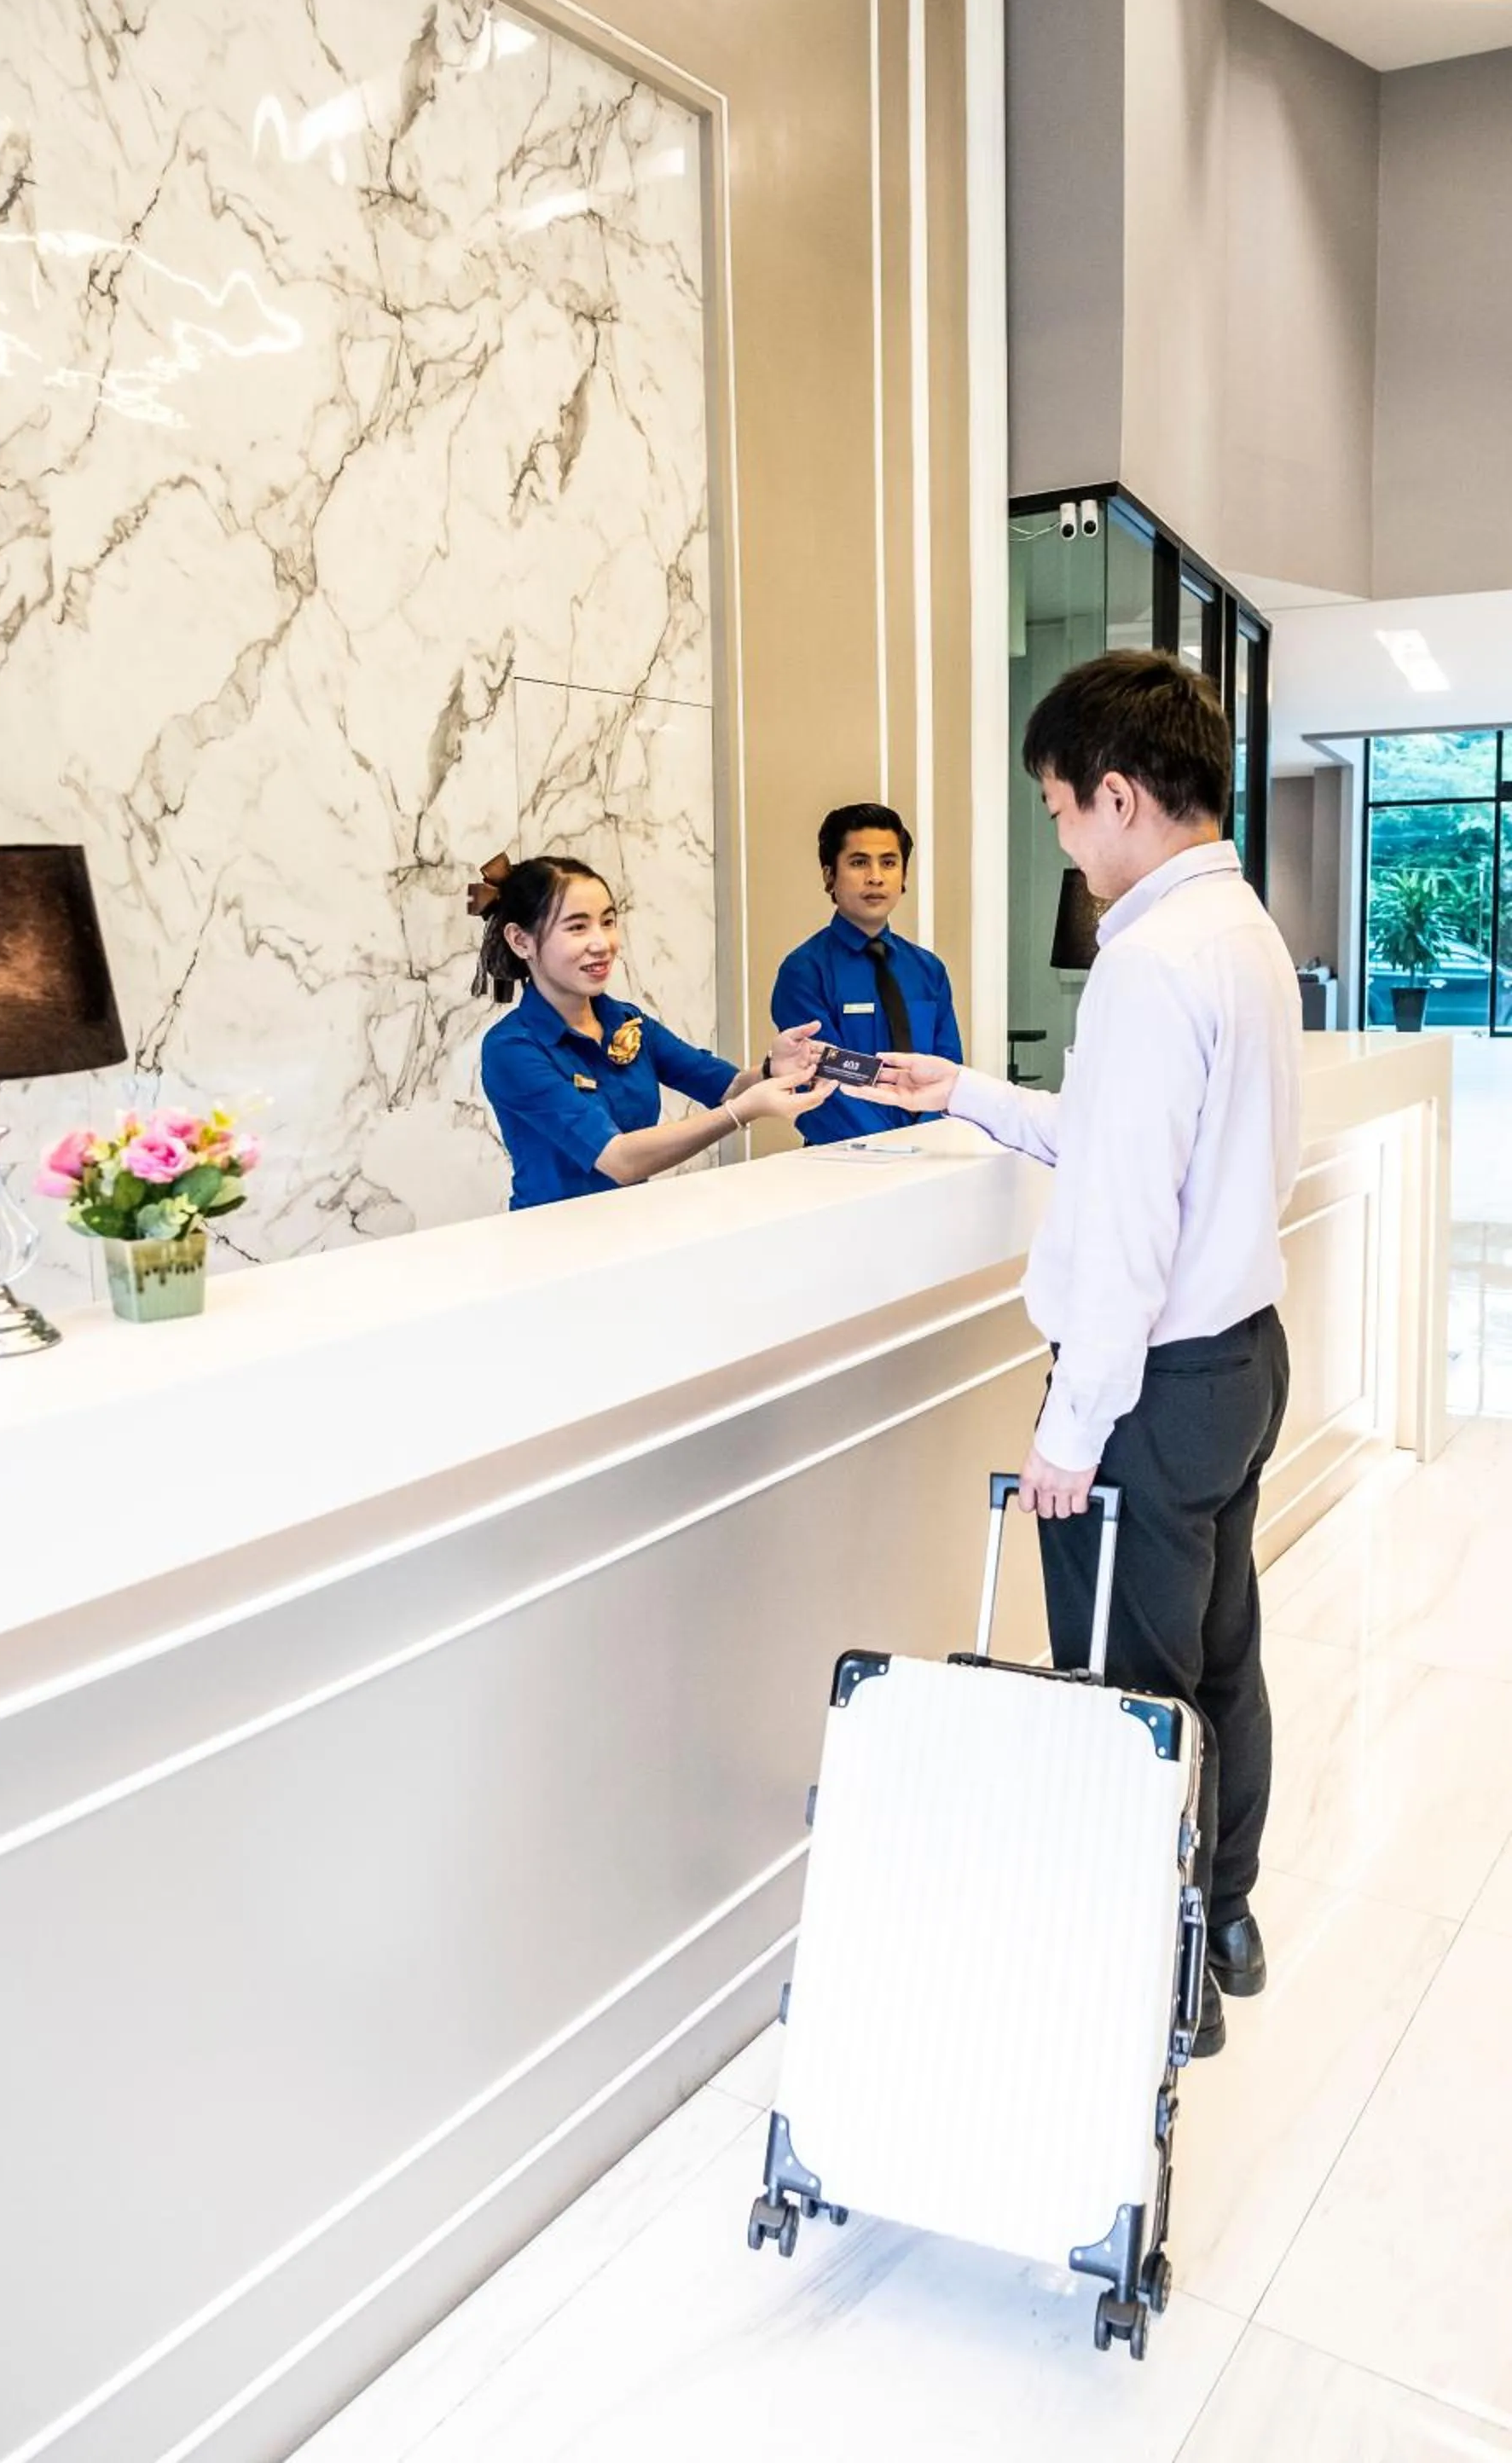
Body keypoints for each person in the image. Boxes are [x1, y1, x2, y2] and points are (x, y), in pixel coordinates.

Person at [852, 652, 1302, 2060]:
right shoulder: (1239, 930)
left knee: (1130, 1695)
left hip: (1151, 1387)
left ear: (1116, 794)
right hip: (1241, 1363)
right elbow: (1130, 1148)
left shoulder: (1150, 962)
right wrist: (972, 1094)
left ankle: (1158, 1979)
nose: (1062, 839)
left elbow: (1121, 1227)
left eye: (1057, 808)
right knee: (1218, 1659)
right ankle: (1224, 1920)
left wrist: (1071, 1428)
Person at [473, 854, 833, 1211]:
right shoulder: (512, 1048)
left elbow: (728, 1087)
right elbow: (619, 1160)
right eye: (577, 927)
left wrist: (772, 1069)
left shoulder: (627, 1022)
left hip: (634, 1225)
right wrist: (739, 1113)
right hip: (553, 1236)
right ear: (521, 941)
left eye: (608, 922)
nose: (602, 944)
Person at [770, 803, 963, 1145]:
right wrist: (892, 1149)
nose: (875, 877)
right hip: (843, 1156)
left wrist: (927, 1139)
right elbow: (824, 1081)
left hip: (929, 1153)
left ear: (904, 875)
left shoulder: (928, 970)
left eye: (889, 863)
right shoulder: (804, 971)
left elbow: (948, 1071)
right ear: (829, 875)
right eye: (859, 863)